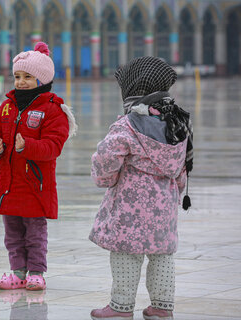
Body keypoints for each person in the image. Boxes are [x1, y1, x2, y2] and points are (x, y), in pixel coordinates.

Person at [88, 56, 193, 320]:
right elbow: (183, 166)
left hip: (129, 208)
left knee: (126, 254)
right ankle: (162, 306)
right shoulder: (178, 124)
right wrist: (176, 189)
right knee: (162, 256)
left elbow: (106, 159)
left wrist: (105, 180)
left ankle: (121, 307)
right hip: (164, 207)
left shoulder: (127, 125)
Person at [0, 42, 77, 291]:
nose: (21, 82)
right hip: (8, 185)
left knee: (34, 233)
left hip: (35, 185)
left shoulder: (52, 110)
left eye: (27, 77)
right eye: (17, 76)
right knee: (12, 234)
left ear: (42, 79)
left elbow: (54, 146)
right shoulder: (6, 108)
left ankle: (36, 272)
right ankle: (17, 272)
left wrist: (28, 147)